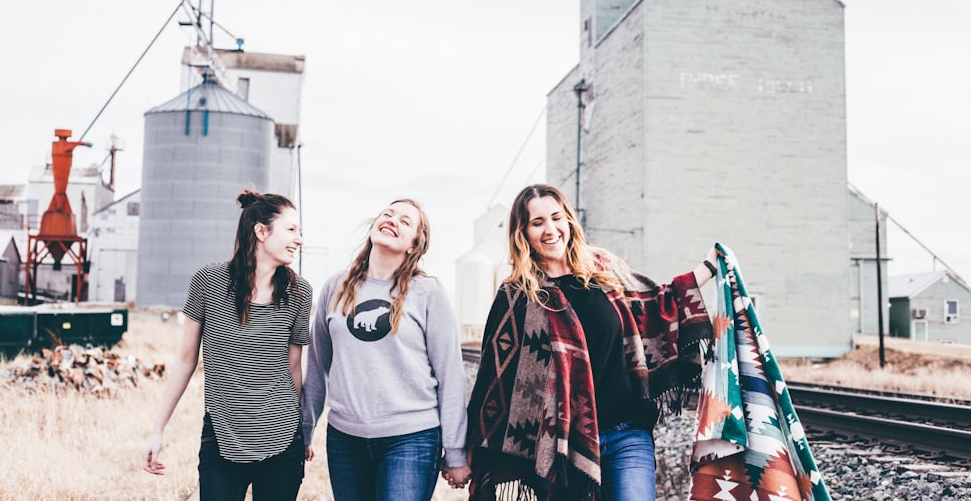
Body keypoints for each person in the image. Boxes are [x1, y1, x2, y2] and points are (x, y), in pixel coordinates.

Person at [465, 184, 719, 501]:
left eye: (556, 217)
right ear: (523, 233)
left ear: (568, 220)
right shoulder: (517, 294)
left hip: (627, 433)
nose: (550, 229)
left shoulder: (603, 268)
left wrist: (706, 270)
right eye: (537, 222)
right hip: (559, 446)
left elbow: (655, 303)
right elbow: (495, 375)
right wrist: (469, 450)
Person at [143, 190, 313, 501]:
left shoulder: (300, 293)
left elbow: (294, 368)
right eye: (291, 230)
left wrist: (303, 431)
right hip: (222, 437)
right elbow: (185, 360)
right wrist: (158, 429)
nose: (299, 239)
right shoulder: (208, 281)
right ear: (261, 232)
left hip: (282, 440)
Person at [301, 198, 471, 500]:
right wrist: (305, 429)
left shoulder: (429, 293)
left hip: (411, 438)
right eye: (388, 214)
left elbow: (450, 375)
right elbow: (316, 365)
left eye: (405, 221)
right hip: (345, 439)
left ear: (414, 244)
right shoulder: (335, 287)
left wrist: (455, 451)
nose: (393, 220)